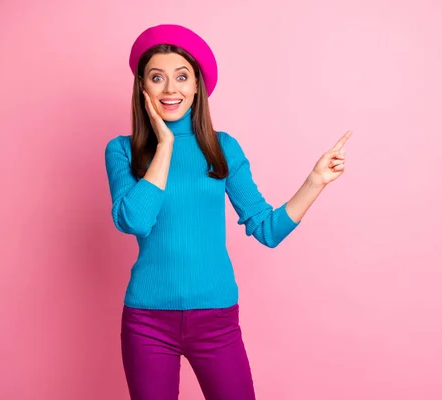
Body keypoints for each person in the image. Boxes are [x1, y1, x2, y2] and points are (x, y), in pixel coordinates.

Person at [104, 24, 352, 400]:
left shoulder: (222, 148)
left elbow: (267, 230)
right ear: (142, 86)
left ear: (198, 86)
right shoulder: (121, 151)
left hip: (216, 320)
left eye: (182, 77)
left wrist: (315, 181)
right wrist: (165, 145)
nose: (171, 89)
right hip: (147, 322)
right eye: (158, 77)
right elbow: (135, 220)